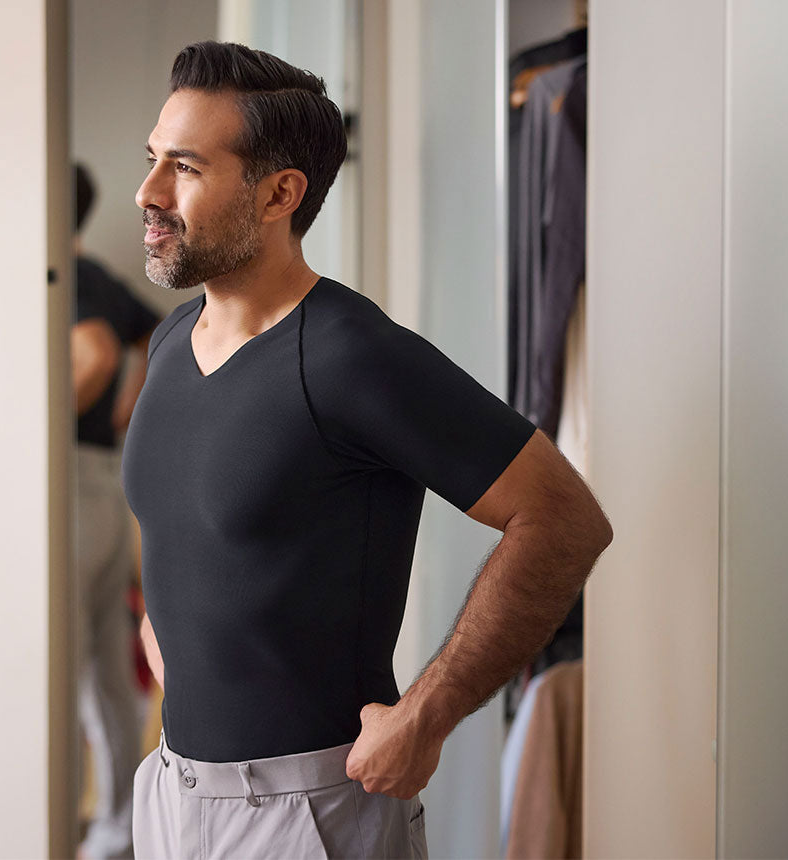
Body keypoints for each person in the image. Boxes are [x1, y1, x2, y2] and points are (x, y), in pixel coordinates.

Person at [121, 43, 613, 859]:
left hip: (300, 815)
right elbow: (185, 519)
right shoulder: (175, 338)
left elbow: (563, 519)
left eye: (185, 168)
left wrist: (428, 713)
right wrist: (162, 625)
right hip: (172, 795)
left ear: (280, 193)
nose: (148, 193)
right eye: (152, 160)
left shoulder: (351, 355)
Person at [70, 162, 163, 860]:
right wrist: (124, 413)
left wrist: (51, 424)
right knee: (103, 665)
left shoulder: (60, 278)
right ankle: (115, 830)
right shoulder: (97, 275)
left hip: (66, 479)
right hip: (101, 477)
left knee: (65, 665)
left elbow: (98, 353)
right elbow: (151, 338)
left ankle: (66, 823)